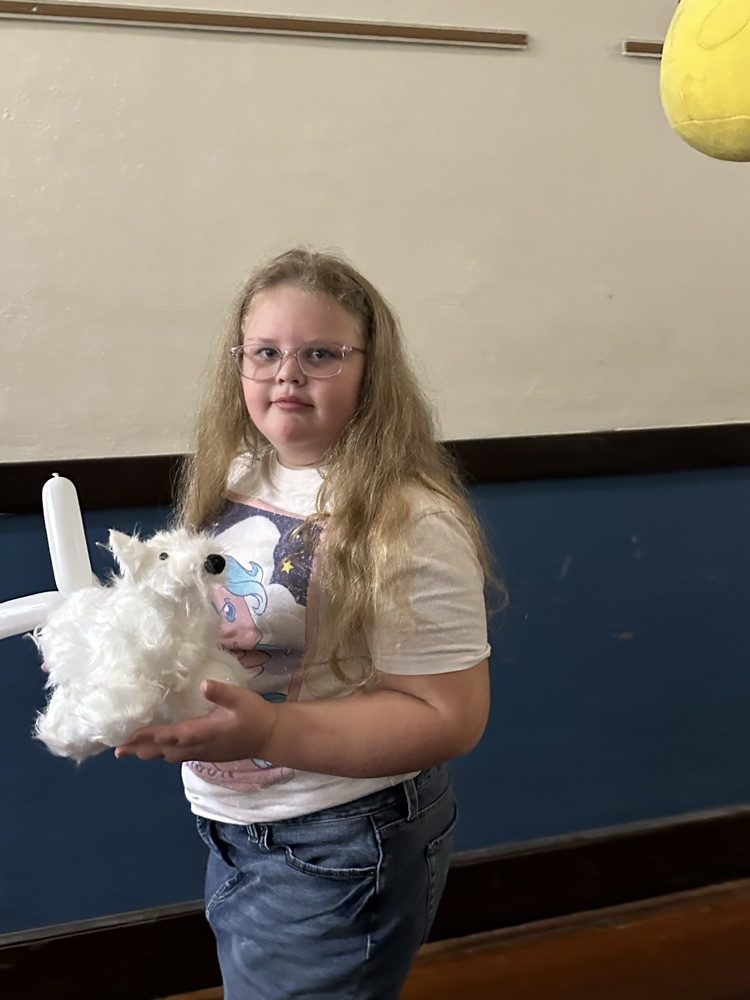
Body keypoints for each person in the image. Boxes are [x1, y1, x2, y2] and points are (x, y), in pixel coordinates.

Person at [116, 246, 492, 1000]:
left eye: (320, 353)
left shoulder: (410, 518)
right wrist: (117, 652)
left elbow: (450, 717)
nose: (287, 374)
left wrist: (268, 734)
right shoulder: (240, 475)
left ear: (370, 370)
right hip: (234, 825)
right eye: (265, 353)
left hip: (338, 838)